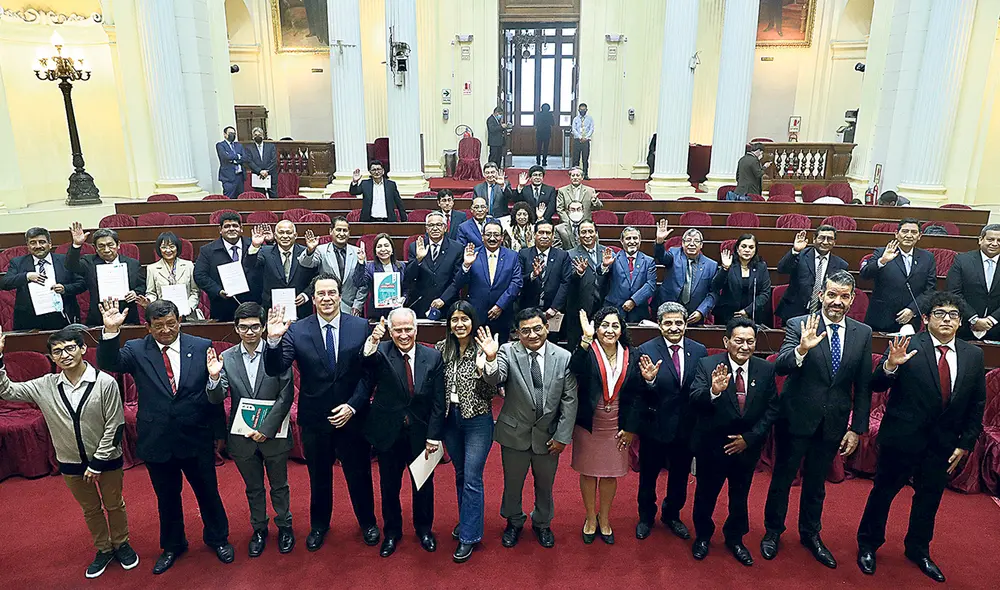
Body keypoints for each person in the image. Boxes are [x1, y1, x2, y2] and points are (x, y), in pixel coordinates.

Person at [856, 291, 986, 582]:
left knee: (929, 500)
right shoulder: (908, 345)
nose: (947, 319)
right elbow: (875, 384)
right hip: (901, 438)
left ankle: (918, 549)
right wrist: (890, 366)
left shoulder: (973, 355)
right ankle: (868, 544)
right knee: (883, 494)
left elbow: (977, 404)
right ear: (926, 319)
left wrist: (965, 443)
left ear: (960, 322)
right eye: (940, 313)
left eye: (954, 315)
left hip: (942, 444)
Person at [97, 299, 233, 574]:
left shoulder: (201, 345)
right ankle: (173, 545)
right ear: (148, 327)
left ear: (180, 321)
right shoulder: (136, 349)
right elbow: (109, 362)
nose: (166, 330)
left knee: (208, 493)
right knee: (167, 498)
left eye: (171, 324)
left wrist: (220, 433)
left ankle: (218, 538)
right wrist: (110, 332)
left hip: (196, 436)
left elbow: (212, 396)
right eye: (158, 326)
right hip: (157, 438)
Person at [0, 328, 137, 579]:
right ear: (52, 357)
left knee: (114, 504)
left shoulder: (104, 382)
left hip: (106, 460)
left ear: (83, 349)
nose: (64, 355)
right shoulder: (45, 385)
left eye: (70, 348)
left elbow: (115, 425)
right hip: (71, 462)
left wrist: (97, 462)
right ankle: (104, 548)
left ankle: (122, 544)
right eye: (57, 351)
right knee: (90, 509)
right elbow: (6, 391)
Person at [761, 270, 873, 568]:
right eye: (832, 294)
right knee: (783, 480)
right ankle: (773, 531)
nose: (837, 301)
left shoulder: (863, 333)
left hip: (833, 423)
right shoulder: (799, 324)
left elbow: (863, 385)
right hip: (795, 418)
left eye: (844, 296)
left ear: (852, 299)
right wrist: (801, 348)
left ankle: (810, 533)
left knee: (815, 484)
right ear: (821, 295)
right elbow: (781, 367)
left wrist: (857, 428)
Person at [263, 273, 380, 551]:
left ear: (340, 295)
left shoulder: (361, 326)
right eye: (321, 294)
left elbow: (369, 375)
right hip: (316, 418)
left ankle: (368, 523)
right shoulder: (297, 330)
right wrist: (273, 341)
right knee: (319, 477)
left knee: (359, 474)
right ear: (313, 299)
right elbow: (276, 368)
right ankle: (319, 526)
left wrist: (353, 406)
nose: (326, 299)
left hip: (353, 416)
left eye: (331, 293)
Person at [479, 308, 579, 549]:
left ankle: (542, 523)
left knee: (545, 485)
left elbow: (569, 399)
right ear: (517, 333)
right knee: (513, 484)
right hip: (514, 433)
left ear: (546, 327)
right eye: (525, 331)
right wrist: (491, 358)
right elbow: (495, 378)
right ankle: (513, 521)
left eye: (537, 328)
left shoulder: (564, 357)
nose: (532, 335)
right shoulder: (506, 352)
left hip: (548, 435)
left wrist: (562, 436)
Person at [206, 303, 295, 558]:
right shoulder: (229, 358)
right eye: (244, 327)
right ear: (236, 329)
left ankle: (285, 526)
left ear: (263, 326)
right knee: (253, 488)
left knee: (280, 485)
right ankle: (259, 529)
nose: (250, 332)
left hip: (273, 434)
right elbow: (216, 397)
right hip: (241, 436)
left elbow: (286, 395)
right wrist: (213, 378)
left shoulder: (277, 352)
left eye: (255, 326)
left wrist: (266, 429)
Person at [689, 317, 779, 565]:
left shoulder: (765, 368)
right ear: (726, 341)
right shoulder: (707, 365)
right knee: (706, 495)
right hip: (713, 447)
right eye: (739, 341)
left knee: (739, 497)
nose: (745, 346)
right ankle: (703, 537)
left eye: (750, 341)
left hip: (746, 448)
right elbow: (695, 398)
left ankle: (735, 538)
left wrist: (748, 439)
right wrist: (714, 391)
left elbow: (772, 409)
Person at [570, 307, 660, 545]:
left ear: (622, 329)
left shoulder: (633, 354)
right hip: (589, 424)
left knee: (610, 475)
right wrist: (585, 338)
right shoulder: (587, 350)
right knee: (589, 473)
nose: (609, 330)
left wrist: (631, 427)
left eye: (615, 325)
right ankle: (590, 517)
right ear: (596, 328)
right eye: (604, 326)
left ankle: (605, 518)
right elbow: (574, 369)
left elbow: (640, 395)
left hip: (618, 425)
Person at [362, 309, 445, 558]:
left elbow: (439, 402)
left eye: (408, 328)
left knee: (424, 486)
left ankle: (424, 529)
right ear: (390, 331)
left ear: (416, 329)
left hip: (421, 435)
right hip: (389, 433)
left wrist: (434, 435)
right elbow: (364, 362)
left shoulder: (433, 356)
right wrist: (373, 341)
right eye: (397, 329)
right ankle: (392, 533)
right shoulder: (380, 352)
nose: (403, 334)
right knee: (389, 487)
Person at [635, 302, 708, 541]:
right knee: (648, 477)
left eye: (679, 323)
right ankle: (646, 517)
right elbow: (636, 393)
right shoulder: (645, 350)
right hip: (654, 426)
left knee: (679, 476)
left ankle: (672, 514)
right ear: (660, 325)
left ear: (686, 324)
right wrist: (649, 382)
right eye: (668, 323)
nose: (674, 327)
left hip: (686, 429)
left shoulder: (699, 350)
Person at [435, 302, 498, 562]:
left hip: (478, 420)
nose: (459, 324)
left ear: (473, 321)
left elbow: (491, 390)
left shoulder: (485, 347)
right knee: (460, 474)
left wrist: (489, 363)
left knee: (472, 476)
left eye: (465, 319)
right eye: (454, 320)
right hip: (450, 420)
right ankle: (467, 521)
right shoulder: (441, 350)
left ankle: (469, 536)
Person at [859, 218, 936, 333]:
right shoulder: (881, 252)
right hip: (881, 319)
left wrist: (913, 310)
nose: (909, 235)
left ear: (919, 236)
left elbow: (930, 290)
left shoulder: (927, 257)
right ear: (896, 234)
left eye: (914, 232)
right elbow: (865, 275)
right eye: (905, 231)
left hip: (911, 319)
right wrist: (882, 261)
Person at [0, 227, 85, 330]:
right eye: (33, 243)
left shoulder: (65, 261)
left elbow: (82, 284)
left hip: (62, 318)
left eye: (42, 242)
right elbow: (5, 283)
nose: (38, 246)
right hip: (29, 320)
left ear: (50, 244)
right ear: (28, 245)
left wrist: (65, 288)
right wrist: (27, 276)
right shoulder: (17, 262)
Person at [453, 221, 523, 342]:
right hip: (476, 315)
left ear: (502, 237)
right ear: (482, 236)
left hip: (503, 314)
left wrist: (500, 305)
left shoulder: (513, 256)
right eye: (488, 234)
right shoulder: (472, 254)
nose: (492, 238)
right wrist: (466, 265)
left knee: (501, 353)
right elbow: (459, 283)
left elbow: (517, 283)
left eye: (496, 235)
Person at [66, 223, 145, 326]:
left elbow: (142, 286)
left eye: (110, 245)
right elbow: (71, 266)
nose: (106, 250)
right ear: (96, 248)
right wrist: (76, 245)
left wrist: (135, 293)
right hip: (98, 318)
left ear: (118, 245)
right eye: (101, 246)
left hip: (127, 316)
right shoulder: (88, 262)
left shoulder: (132, 264)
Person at [774, 225, 848, 324]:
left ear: (834, 242)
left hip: (823, 315)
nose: (825, 242)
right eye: (822, 238)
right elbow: (782, 269)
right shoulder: (800, 255)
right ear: (814, 239)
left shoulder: (841, 265)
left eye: (829, 239)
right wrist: (795, 250)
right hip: (794, 312)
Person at [194, 212, 259, 323]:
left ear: (241, 228)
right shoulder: (208, 250)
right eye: (227, 226)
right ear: (220, 229)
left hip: (253, 303)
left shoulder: (254, 245)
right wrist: (218, 291)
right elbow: (200, 275)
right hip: (222, 306)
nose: (231, 229)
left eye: (235, 226)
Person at [298, 217, 367, 316]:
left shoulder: (358, 252)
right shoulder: (321, 250)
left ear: (349, 233)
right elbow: (306, 263)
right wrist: (310, 251)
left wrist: (357, 305)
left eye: (345, 230)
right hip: (327, 305)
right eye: (338, 230)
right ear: (331, 231)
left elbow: (363, 285)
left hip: (351, 308)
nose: (342, 234)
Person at [249, 220, 316, 321]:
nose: (285, 236)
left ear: (295, 235)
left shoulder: (306, 252)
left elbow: (316, 278)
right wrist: (255, 246)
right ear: (275, 236)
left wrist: (306, 294)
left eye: (289, 232)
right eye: (281, 232)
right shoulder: (265, 252)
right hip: (272, 309)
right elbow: (250, 266)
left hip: (301, 310)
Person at [655, 224, 718, 325]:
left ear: (701, 245)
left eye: (696, 241)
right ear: (682, 244)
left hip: (694, 315)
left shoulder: (711, 265)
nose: (692, 244)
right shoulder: (673, 253)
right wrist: (659, 242)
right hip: (668, 310)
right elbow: (661, 257)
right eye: (688, 240)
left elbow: (713, 293)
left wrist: (701, 311)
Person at [947, 223, 1000, 341]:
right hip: (965, 325)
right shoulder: (962, 260)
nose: (995, 243)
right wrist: (974, 319)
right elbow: (954, 293)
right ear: (981, 240)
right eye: (991, 239)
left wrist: (992, 320)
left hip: (997, 326)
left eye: (999, 240)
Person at [407, 211, 463, 318]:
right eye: (431, 225)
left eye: (439, 225)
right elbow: (409, 277)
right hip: (421, 304)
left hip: (447, 304)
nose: (435, 228)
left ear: (445, 228)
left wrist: (443, 299)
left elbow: (457, 280)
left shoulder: (457, 249)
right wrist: (418, 260)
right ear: (426, 229)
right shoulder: (415, 247)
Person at [598, 227, 656, 322]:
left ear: (640, 240)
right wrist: (604, 265)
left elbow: (651, 285)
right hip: (614, 310)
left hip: (638, 311)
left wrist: (633, 301)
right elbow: (600, 273)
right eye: (628, 238)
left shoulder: (649, 261)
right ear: (621, 241)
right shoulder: (613, 258)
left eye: (635, 238)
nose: (632, 241)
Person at [565, 221, 608, 346]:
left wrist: (605, 266)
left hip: (603, 306)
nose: (587, 235)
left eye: (590, 231)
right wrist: (578, 273)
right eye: (583, 232)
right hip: (579, 308)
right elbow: (567, 281)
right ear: (578, 235)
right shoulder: (569, 254)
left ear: (596, 233)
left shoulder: (606, 252)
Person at [712, 233, 771, 326]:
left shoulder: (761, 266)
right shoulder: (729, 264)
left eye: (751, 247)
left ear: (755, 250)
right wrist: (725, 269)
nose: (747, 250)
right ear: (737, 248)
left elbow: (765, 293)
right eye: (743, 246)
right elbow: (715, 286)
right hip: (727, 316)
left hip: (752, 315)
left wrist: (747, 311)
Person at [351, 232, 413, 321]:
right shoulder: (369, 267)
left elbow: (407, 288)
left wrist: (403, 298)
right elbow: (359, 283)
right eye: (379, 246)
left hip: (398, 313)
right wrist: (361, 262)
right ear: (375, 252)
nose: (383, 249)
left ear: (392, 250)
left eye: (386, 245)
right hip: (377, 315)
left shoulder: (402, 266)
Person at [519, 220, 571, 324]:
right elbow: (518, 280)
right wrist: (533, 275)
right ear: (534, 235)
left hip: (553, 311)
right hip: (528, 309)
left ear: (552, 236)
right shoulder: (523, 254)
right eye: (541, 232)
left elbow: (565, 282)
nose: (544, 236)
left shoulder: (562, 255)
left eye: (548, 233)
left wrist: (555, 307)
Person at [141, 232, 201, 320]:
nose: (168, 250)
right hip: (162, 316)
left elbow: (195, 291)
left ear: (177, 247)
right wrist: (149, 301)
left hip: (187, 315)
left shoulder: (189, 265)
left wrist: (190, 307)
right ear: (159, 249)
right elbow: (151, 293)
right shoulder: (152, 268)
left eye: (172, 246)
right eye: (164, 247)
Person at [245, 127, 278, 198]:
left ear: (263, 136)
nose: (258, 136)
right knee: (260, 197)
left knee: (274, 197)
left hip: (270, 174)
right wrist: (259, 171)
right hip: (258, 175)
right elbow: (249, 161)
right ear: (253, 137)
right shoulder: (249, 148)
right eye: (255, 135)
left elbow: (274, 161)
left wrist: (266, 171)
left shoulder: (271, 146)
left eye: (259, 135)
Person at [216, 126, 245, 199]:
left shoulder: (239, 145)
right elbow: (226, 157)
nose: (233, 135)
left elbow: (244, 157)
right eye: (230, 133)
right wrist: (238, 156)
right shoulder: (220, 145)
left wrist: (233, 159)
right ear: (225, 134)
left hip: (240, 176)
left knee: (241, 199)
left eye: (234, 133)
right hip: (228, 177)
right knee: (229, 199)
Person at [571, 103, 594, 179]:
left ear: (586, 110)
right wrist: (580, 137)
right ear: (578, 110)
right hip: (577, 140)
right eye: (581, 110)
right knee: (576, 158)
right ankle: (575, 174)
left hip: (586, 141)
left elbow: (591, 129)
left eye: (584, 110)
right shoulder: (576, 119)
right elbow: (574, 129)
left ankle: (585, 174)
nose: (582, 111)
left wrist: (586, 137)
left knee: (585, 158)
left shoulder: (590, 119)